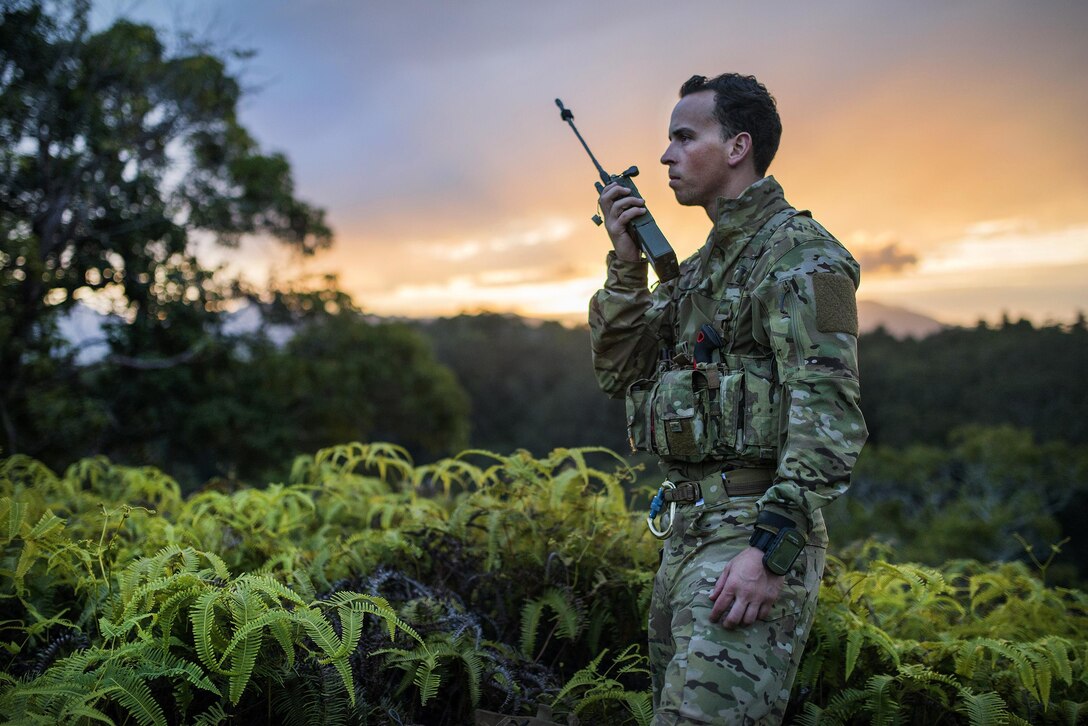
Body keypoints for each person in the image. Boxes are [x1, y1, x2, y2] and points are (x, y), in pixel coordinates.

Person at [588, 73, 868, 724]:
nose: (665, 156)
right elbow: (619, 368)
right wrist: (625, 264)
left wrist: (771, 552)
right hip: (686, 535)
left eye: (684, 137)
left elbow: (828, 415)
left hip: (749, 535)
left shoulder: (802, 256)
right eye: (668, 140)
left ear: (738, 146)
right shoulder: (702, 269)